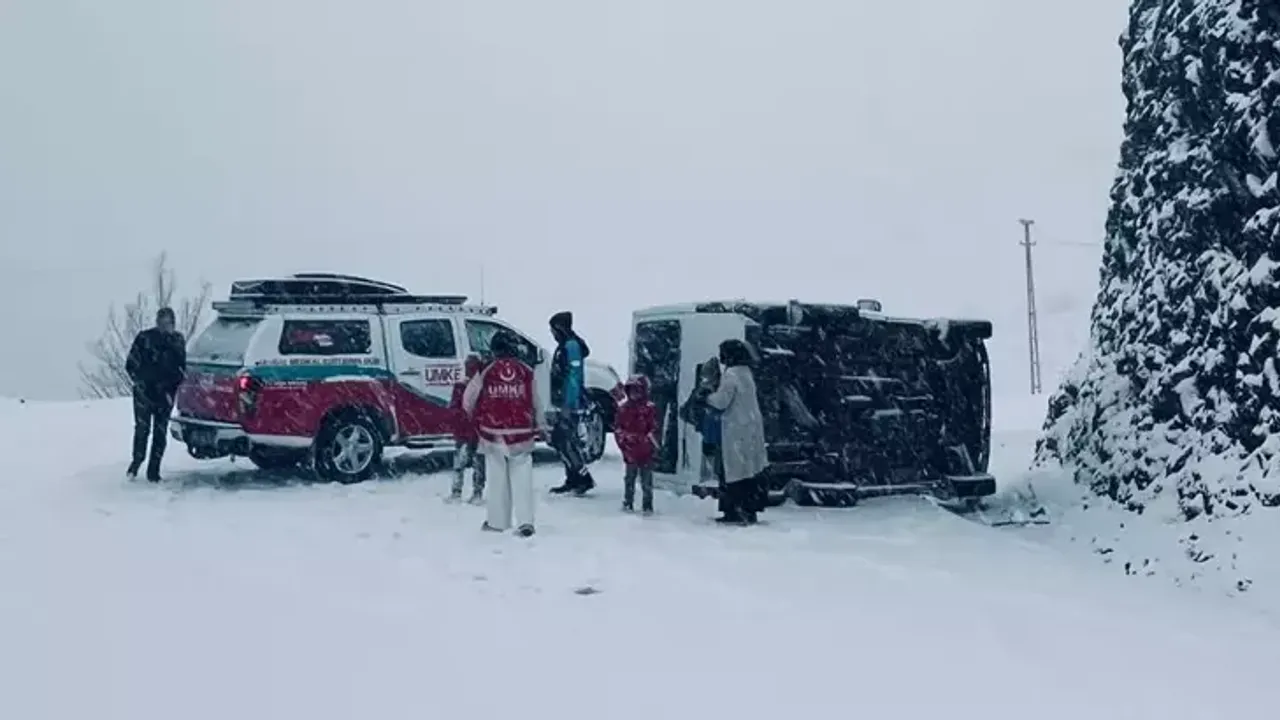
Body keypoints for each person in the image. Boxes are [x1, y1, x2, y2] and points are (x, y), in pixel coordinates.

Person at [462, 331, 547, 537]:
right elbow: (537, 399)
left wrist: (476, 416)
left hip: (493, 433)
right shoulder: (526, 371)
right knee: (523, 478)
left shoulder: (487, 370)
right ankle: (525, 522)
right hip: (521, 432)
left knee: (497, 478)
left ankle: (497, 522)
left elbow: (468, 399)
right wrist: (541, 424)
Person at [703, 339, 768, 525]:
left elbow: (722, 401)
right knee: (750, 471)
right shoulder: (746, 372)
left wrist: (707, 397)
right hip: (751, 428)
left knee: (732, 473)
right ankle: (749, 509)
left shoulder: (731, 374)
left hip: (735, 429)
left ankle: (734, 511)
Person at [125, 307, 187, 482]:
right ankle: (136, 464)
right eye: (163, 322)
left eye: (169, 323)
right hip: (144, 393)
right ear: (157, 322)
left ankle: (154, 471)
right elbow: (131, 365)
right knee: (142, 430)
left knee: (160, 434)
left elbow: (181, 368)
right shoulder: (144, 338)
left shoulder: (177, 341)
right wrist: (142, 383)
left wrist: (171, 388)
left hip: (165, 394)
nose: (166, 326)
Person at [546, 310, 596, 495]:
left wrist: (569, 403)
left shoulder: (571, 346)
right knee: (562, 440)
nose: (552, 334)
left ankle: (584, 478)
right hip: (563, 401)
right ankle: (572, 479)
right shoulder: (565, 345)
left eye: (553, 329)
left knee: (566, 440)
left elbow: (574, 376)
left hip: (571, 403)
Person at [614, 375, 658, 514]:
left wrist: (649, 442)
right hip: (630, 450)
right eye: (632, 391)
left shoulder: (650, 409)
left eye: (637, 391)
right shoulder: (623, 409)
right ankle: (628, 502)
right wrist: (625, 442)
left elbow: (655, 428)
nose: (634, 394)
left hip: (646, 451)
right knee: (629, 478)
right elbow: (618, 429)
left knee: (647, 480)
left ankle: (647, 505)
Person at [448, 354, 487, 503]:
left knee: (477, 464)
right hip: (466, 431)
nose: (468, 369)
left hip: (475, 432)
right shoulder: (462, 386)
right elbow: (454, 408)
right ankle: (457, 492)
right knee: (462, 463)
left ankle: (476, 492)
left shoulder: (481, 387)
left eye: (471, 366)